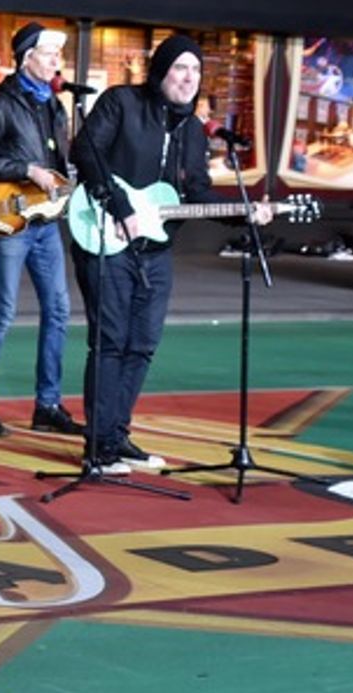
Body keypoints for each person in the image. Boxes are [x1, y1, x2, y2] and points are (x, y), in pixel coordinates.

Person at [71, 34, 273, 470]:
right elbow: (85, 151)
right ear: (161, 71)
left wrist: (244, 213)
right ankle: (98, 446)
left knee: (142, 344)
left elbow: (197, 191)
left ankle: (116, 434)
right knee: (110, 342)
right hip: (106, 237)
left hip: (156, 249)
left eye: (196, 70)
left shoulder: (193, 131)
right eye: (180, 67)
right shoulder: (121, 103)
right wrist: (119, 206)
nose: (189, 78)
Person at [0, 22, 82, 439]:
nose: (55, 62)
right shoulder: (2, 102)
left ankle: (48, 405)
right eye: (48, 54)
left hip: (46, 222)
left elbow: (60, 165)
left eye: (57, 55)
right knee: (3, 312)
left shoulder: (54, 106)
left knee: (59, 310)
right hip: (12, 219)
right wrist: (26, 170)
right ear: (27, 57)